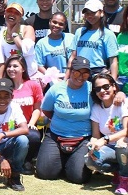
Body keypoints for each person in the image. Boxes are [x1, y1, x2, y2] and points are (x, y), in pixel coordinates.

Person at [84, 73, 128, 194]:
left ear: (114, 87)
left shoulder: (123, 103)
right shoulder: (96, 108)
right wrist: (93, 144)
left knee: (121, 143)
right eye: (98, 89)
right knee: (90, 160)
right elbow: (96, 136)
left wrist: (105, 140)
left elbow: (126, 132)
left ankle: (126, 179)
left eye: (106, 87)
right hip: (112, 148)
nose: (102, 91)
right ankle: (119, 171)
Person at [37, 56, 93, 184]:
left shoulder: (92, 89)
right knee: (45, 173)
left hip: (82, 138)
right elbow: (47, 110)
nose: (81, 76)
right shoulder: (56, 89)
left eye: (85, 73)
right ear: (71, 71)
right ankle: (62, 158)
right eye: (77, 72)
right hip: (56, 136)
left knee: (78, 177)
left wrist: (120, 94)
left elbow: (109, 95)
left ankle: (71, 161)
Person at [3, 54, 43, 174]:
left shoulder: (33, 85)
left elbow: (37, 108)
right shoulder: (3, 86)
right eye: (9, 66)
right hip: (9, 126)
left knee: (34, 137)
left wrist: (31, 123)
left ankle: (27, 160)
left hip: (27, 125)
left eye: (15, 66)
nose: (11, 69)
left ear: (23, 68)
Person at [66, 0, 118, 79]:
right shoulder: (79, 32)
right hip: (79, 72)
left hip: (98, 74)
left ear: (101, 13)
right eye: (87, 13)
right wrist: (66, 78)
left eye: (93, 13)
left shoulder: (108, 34)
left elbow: (113, 60)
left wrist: (113, 81)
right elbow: (72, 57)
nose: (90, 16)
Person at [0, 3, 38, 78]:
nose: (12, 14)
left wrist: (14, 35)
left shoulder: (27, 29)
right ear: (5, 13)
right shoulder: (2, 31)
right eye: (9, 11)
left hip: (29, 75)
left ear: (20, 17)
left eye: (16, 13)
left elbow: (26, 50)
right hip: (11, 76)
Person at [35, 12, 75, 77]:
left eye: (61, 24)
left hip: (72, 79)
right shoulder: (41, 44)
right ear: (50, 22)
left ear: (64, 27)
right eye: (54, 22)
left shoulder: (72, 38)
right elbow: (39, 65)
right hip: (54, 81)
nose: (56, 25)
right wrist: (52, 77)